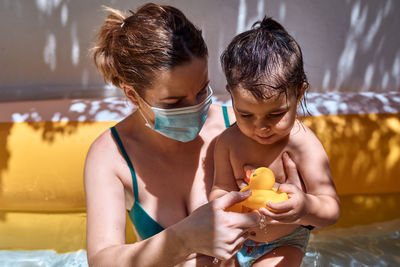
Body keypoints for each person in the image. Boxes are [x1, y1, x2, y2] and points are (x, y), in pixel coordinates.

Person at [83, 3, 277, 266]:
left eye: (201, 90)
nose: (195, 107)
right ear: (132, 95)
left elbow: (304, 216)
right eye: (174, 103)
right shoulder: (112, 156)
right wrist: (184, 239)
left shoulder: (241, 128)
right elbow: (102, 261)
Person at [209, 17, 340, 267]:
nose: (261, 126)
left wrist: (304, 207)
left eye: (276, 114)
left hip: (285, 242)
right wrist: (227, 203)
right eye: (245, 114)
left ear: (299, 93)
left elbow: (331, 208)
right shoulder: (227, 141)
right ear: (231, 95)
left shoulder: (302, 144)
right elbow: (220, 187)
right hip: (236, 239)